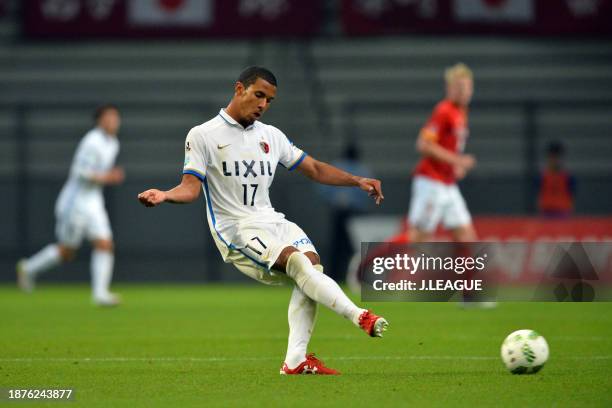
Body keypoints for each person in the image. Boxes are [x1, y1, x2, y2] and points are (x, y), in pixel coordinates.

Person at [137, 66, 388, 375]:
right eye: (258, 95)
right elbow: (190, 188)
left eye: (269, 100)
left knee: (311, 269)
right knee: (299, 265)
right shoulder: (202, 135)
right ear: (238, 89)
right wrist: (164, 195)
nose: (263, 105)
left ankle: (295, 360)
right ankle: (359, 315)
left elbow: (315, 169)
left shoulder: (271, 136)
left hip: (272, 220)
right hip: (237, 229)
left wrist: (357, 180)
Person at [17, 105, 125, 306]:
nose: (113, 121)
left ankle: (100, 294)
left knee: (105, 244)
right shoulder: (91, 141)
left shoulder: (113, 143)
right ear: (99, 120)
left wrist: (105, 178)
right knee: (66, 252)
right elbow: (80, 172)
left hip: (93, 201)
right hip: (74, 202)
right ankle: (28, 268)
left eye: (116, 117)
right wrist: (108, 177)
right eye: (109, 117)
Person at [408, 63, 477, 243]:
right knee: (417, 240)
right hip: (431, 182)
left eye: (468, 87)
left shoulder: (461, 112)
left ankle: (466, 272)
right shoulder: (444, 110)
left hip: (447, 184)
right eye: (460, 87)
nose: (465, 92)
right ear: (450, 88)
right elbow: (423, 145)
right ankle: (375, 262)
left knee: (467, 239)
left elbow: (449, 145)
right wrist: (457, 160)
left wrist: (454, 166)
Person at [318, 142, 373, 281]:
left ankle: (333, 276)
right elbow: (369, 193)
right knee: (354, 246)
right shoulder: (362, 170)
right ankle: (358, 276)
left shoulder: (337, 166)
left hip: (339, 212)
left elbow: (323, 189)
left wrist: (334, 199)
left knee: (336, 246)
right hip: (355, 213)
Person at [537, 141, 575, 217]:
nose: (555, 160)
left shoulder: (568, 177)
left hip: (563, 212)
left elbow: (572, 194)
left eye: (557, 157)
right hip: (546, 212)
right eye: (552, 157)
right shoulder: (542, 176)